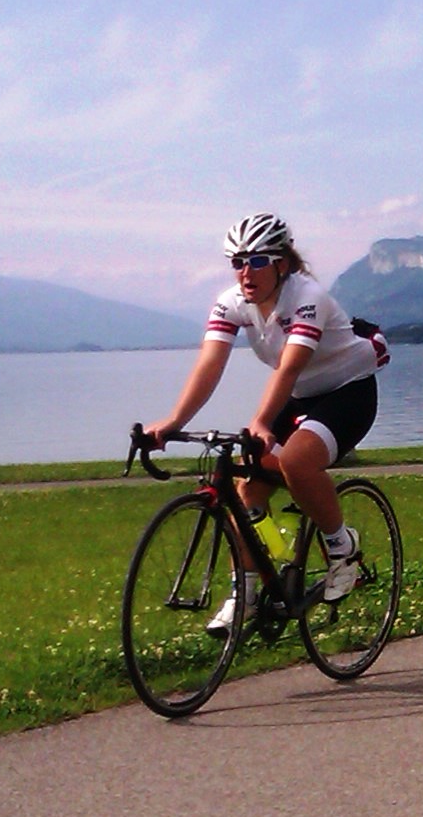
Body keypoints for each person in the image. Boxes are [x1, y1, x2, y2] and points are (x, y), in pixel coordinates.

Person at [141, 213, 383, 636]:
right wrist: (175, 421)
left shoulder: (309, 297)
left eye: (256, 261)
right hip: (303, 397)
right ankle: (246, 593)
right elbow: (210, 363)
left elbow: (289, 367)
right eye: (237, 262)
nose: (244, 272)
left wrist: (260, 420)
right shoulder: (231, 302)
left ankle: (342, 546)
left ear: (282, 263)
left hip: (348, 392)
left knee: (296, 461)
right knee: (248, 486)